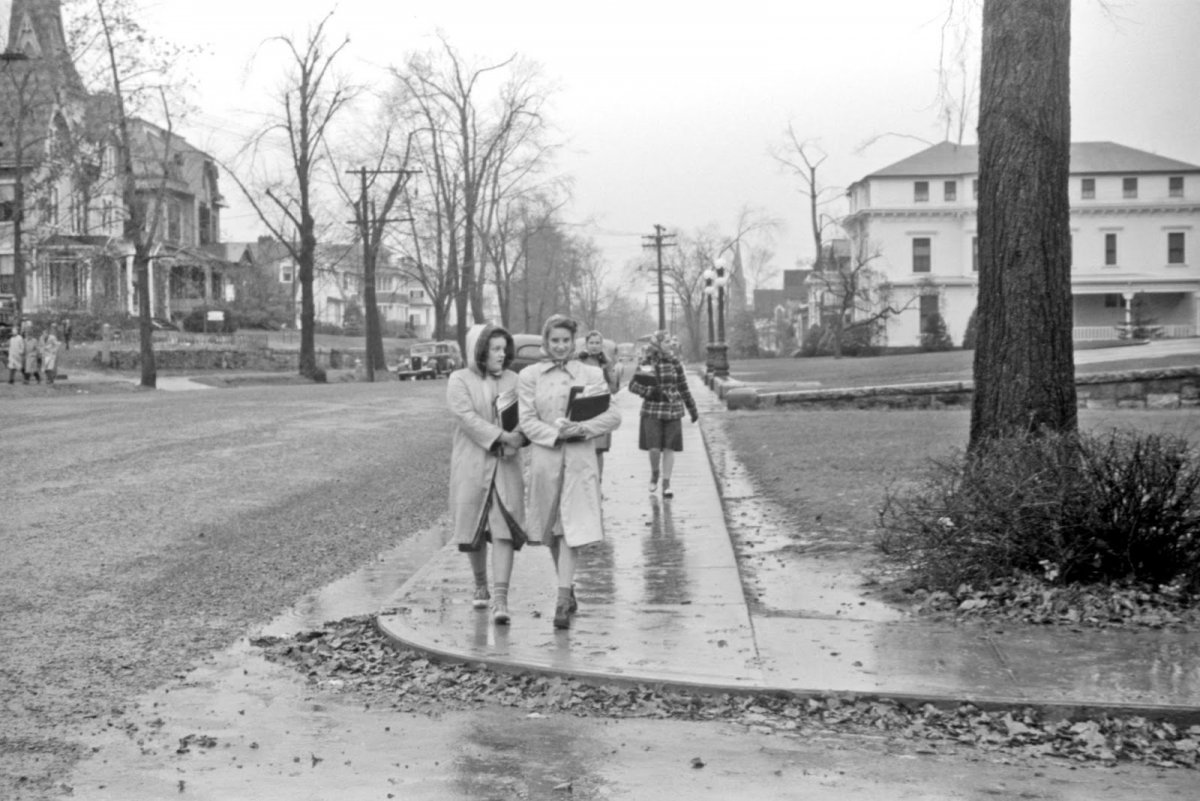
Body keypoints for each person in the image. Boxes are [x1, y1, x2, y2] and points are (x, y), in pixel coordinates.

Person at [519, 314, 621, 629]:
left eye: (565, 340)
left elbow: (612, 414)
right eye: (554, 341)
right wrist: (555, 434)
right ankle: (569, 586)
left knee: (570, 528)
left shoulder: (589, 374)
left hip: (578, 461)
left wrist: (583, 427)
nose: (560, 346)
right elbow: (527, 419)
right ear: (546, 342)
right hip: (546, 461)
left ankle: (562, 600)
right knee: (551, 530)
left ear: (572, 342)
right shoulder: (529, 375)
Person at [447, 322, 528, 625]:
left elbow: (526, 414)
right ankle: (480, 582)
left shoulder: (514, 379)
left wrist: (518, 437)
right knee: (474, 527)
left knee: (504, 528)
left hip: (506, 465)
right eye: (494, 348)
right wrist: (499, 435)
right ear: (479, 349)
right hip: (472, 463)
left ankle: (502, 598)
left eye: (503, 348)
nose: (500, 353)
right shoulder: (459, 379)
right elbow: (465, 417)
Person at [627, 330, 699, 499]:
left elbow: (683, 387)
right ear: (657, 344)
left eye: (671, 341)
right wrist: (648, 392)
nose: (670, 344)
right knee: (654, 448)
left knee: (669, 448)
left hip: (673, 410)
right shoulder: (647, 362)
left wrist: (692, 409)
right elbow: (632, 386)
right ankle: (654, 473)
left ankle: (666, 483)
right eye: (666, 341)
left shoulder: (675, 363)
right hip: (652, 410)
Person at [575, 330, 620, 481]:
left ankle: (597, 483)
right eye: (591, 343)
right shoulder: (579, 360)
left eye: (597, 343)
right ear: (586, 344)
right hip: (582, 408)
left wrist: (607, 369)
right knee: (582, 448)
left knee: (598, 450)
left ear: (602, 345)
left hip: (601, 408)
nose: (594, 346)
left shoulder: (605, 362)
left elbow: (613, 388)